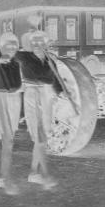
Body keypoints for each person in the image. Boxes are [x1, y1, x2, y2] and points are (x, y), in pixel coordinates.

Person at [15, 30, 63, 191]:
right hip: (32, 97)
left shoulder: (50, 60)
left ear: (46, 43)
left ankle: (33, 173)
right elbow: (7, 54)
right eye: (33, 41)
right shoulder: (24, 57)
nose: (36, 44)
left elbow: (56, 80)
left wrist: (61, 94)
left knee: (42, 139)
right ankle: (45, 174)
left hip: (47, 97)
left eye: (39, 41)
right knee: (40, 137)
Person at [0, 32, 23, 195]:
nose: (13, 47)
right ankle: (7, 179)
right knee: (7, 140)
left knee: (9, 140)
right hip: (1, 99)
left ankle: (2, 176)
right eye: (9, 44)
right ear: (1, 46)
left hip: (15, 101)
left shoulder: (17, 61)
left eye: (15, 44)